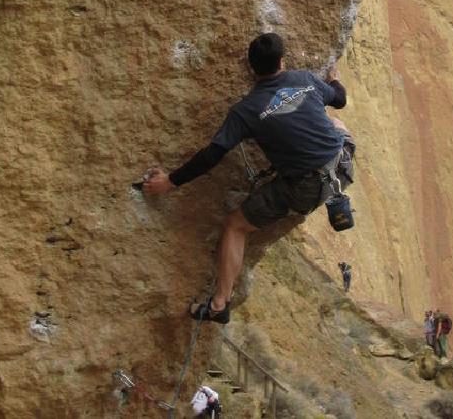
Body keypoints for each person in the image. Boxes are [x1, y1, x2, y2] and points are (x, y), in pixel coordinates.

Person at [142, 32, 354, 323]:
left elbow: (211, 156)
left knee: (235, 225)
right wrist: (333, 79)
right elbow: (339, 99)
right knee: (335, 122)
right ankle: (327, 184)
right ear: (282, 61)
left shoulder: (246, 110)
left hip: (304, 189)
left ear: (251, 68)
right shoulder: (304, 79)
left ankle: (219, 304)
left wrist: (170, 181)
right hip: (342, 166)